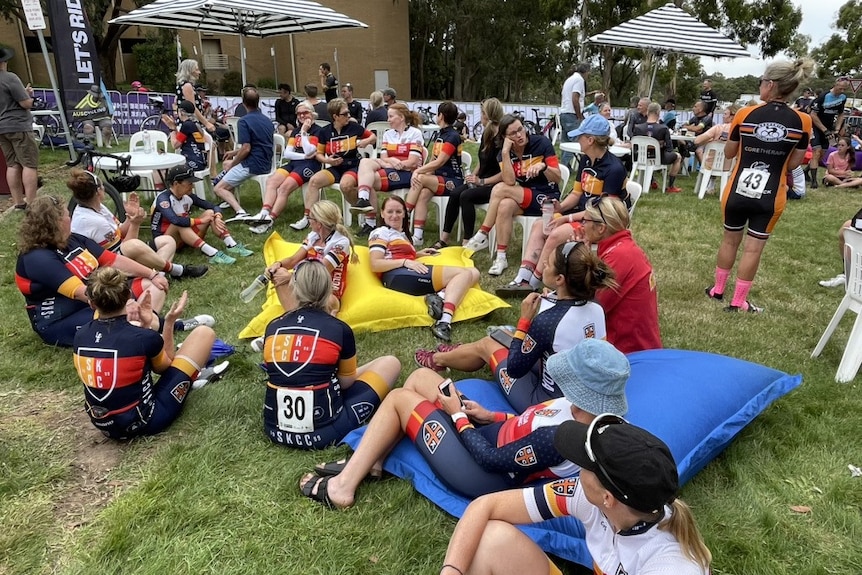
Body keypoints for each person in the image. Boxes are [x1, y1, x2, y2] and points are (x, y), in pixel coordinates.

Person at [298, 338, 630, 504]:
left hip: (485, 475)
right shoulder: (580, 407)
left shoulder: (565, 437)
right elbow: (530, 421)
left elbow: (493, 460)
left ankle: (343, 489)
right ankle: (372, 461)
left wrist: (458, 416)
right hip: (489, 437)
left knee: (400, 399)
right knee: (421, 378)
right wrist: (489, 416)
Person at [438, 416, 712, 575]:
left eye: (585, 464)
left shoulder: (672, 566)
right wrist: (451, 571)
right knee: (490, 538)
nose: (577, 467)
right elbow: (486, 506)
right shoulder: (590, 496)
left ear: (608, 497)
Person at [416, 241, 615, 413]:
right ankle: (455, 353)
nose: (543, 264)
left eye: (548, 264)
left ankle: (437, 359)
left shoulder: (547, 322)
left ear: (560, 280)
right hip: (577, 394)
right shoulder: (595, 307)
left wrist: (525, 319)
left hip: (544, 402)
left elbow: (515, 368)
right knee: (503, 335)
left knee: (489, 343)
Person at [706, 59, 813, 313]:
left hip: (736, 189)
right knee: (754, 247)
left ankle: (718, 289)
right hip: (771, 192)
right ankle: (738, 301)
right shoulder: (803, 121)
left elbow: (730, 153)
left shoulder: (745, 114)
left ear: (771, 84)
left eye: (761, 82)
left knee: (730, 239)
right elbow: (793, 164)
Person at [261, 261, 399, 449]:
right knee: (390, 363)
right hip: (326, 432)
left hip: (273, 429)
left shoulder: (273, 326)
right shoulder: (339, 329)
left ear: (293, 287)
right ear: (328, 290)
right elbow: (346, 383)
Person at [74, 267, 216, 440]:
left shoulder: (80, 335)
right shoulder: (143, 337)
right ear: (128, 296)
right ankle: (194, 376)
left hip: (102, 423)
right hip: (146, 421)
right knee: (204, 334)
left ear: (91, 303)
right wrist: (169, 322)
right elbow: (167, 368)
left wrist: (145, 328)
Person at [15, 196, 170, 347]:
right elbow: (80, 292)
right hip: (62, 320)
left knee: (156, 286)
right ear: (55, 222)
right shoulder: (37, 258)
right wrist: (125, 304)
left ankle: (150, 323)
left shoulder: (73, 240)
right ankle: (156, 326)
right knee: (127, 317)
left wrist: (153, 274)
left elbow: (113, 260)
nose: (70, 219)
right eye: (67, 215)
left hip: (97, 302)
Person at [498, 115, 626, 294]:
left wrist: (567, 218)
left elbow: (604, 211)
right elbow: (576, 193)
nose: (577, 139)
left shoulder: (614, 169)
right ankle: (522, 277)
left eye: (580, 136)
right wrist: (560, 207)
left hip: (600, 224)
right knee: (540, 225)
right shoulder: (586, 160)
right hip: (584, 216)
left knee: (556, 233)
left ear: (590, 140)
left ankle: (533, 282)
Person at [368, 195, 480, 341]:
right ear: (382, 213)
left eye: (398, 212)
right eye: (390, 212)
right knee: (463, 274)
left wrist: (418, 254)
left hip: (406, 272)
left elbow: (398, 254)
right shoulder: (380, 232)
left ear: (404, 213)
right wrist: (405, 262)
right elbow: (375, 264)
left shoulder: (400, 234)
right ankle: (444, 321)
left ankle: (439, 297)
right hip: (396, 276)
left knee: (474, 272)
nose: (394, 216)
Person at [463, 114, 562, 276]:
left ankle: (483, 233)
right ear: (504, 137)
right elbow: (510, 181)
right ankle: (501, 257)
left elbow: (557, 176)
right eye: (513, 133)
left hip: (548, 198)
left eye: (520, 130)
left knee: (500, 188)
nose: (519, 135)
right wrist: (505, 153)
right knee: (504, 205)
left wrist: (543, 167)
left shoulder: (541, 143)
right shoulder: (504, 152)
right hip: (526, 196)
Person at [68, 169, 208, 280]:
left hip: (117, 254)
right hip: (105, 269)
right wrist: (135, 224)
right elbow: (124, 252)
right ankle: (177, 270)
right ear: (98, 191)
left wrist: (130, 218)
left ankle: (159, 275)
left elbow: (119, 233)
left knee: (168, 240)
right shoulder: (91, 221)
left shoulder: (96, 207)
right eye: (103, 186)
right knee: (135, 245)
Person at [291, 98, 376, 231]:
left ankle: (365, 212)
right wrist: (327, 161)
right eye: (345, 114)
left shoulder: (354, 127)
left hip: (353, 165)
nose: (348, 116)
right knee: (314, 181)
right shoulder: (325, 132)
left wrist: (366, 141)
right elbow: (319, 154)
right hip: (334, 166)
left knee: (346, 185)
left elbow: (373, 137)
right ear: (335, 116)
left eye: (348, 113)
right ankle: (308, 218)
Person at [264, 200, 358, 314]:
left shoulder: (341, 243)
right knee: (279, 272)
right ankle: (296, 316)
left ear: (319, 224)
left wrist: (290, 277)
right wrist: (277, 265)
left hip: (328, 292)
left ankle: (300, 315)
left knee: (330, 301)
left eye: (310, 218)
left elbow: (319, 273)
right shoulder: (314, 236)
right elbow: (293, 260)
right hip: (305, 287)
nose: (308, 221)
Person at [247, 101, 323, 234]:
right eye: (298, 113)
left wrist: (304, 132)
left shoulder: (318, 131)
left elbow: (311, 151)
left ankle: (270, 220)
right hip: (296, 162)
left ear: (312, 114)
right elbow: (288, 153)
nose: (301, 116)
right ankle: (264, 213)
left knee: (284, 188)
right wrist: (304, 156)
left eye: (305, 113)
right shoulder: (295, 131)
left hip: (311, 165)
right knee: (271, 181)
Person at [152, 165, 253, 266]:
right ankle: (213, 253)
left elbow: (213, 207)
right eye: (189, 183)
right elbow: (175, 220)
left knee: (210, 212)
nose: (192, 186)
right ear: (176, 183)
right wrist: (201, 221)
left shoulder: (187, 196)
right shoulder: (163, 199)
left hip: (185, 238)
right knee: (179, 223)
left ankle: (231, 245)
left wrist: (217, 216)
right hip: (166, 242)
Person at [438, 98, 505, 248]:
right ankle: (444, 238)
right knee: (455, 193)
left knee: (466, 196)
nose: (480, 116)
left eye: (482, 113)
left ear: (487, 115)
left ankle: (468, 240)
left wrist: (480, 182)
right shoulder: (487, 136)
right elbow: (482, 163)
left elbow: (505, 173)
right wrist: (471, 178)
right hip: (482, 180)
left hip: (496, 184)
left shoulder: (501, 139)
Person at [351, 103, 425, 237]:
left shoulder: (415, 133)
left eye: (391, 116)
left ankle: (370, 222)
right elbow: (384, 157)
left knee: (369, 179)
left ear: (401, 117)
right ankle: (363, 198)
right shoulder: (388, 134)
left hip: (408, 173)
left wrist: (392, 163)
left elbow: (412, 162)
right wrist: (392, 161)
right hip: (391, 169)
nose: (388, 120)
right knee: (365, 162)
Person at [405, 101, 465, 246]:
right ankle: (418, 235)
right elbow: (433, 160)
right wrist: (424, 171)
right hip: (438, 178)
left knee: (419, 178)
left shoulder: (452, 136)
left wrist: (419, 171)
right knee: (424, 192)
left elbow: (440, 162)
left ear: (441, 116)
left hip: (453, 180)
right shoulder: (441, 134)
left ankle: (404, 215)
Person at [213, 87, 275, 217]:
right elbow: (257, 143)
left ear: (243, 103)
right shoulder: (267, 120)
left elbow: (246, 148)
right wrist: (235, 152)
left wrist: (234, 163)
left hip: (252, 164)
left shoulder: (244, 121)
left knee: (218, 188)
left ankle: (240, 211)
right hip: (266, 162)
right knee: (226, 164)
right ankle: (229, 199)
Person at [0, 46, 38, 209]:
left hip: (2, 128)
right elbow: (25, 103)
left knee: (12, 164)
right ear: (3, 62)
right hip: (18, 125)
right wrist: (28, 95)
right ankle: (31, 202)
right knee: (29, 163)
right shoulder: (9, 78)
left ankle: (18, 202)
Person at [807, 76, 850, 189]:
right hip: (816, 126)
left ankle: (806, 171)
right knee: (816, 151)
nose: (841, 91)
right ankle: (814, 181)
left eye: (844, 89)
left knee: (822, 154)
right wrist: (824, 130)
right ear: (835, 85)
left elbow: (841, 114)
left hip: (828, 127)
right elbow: (813, 115)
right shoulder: (823, 97)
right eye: (840, 88)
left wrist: (836, 129)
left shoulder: (843, 98)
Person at [633, 102, 682, 193]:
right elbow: (669, 148)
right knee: (678, 157)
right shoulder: (663, 128)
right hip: (659, 159)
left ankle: (652, 181)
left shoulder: (638, 128)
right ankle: (670, 186)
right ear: (658, 113)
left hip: (641, 158)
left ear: (647, 112)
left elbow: (635, 146)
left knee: (649, 158)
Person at [559, 63, 589, 167]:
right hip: (571, 114)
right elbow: (575, 98)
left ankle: (564, 166)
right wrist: (579, 116)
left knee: (565, 142)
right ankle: (565, 164)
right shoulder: (579, 80)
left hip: (563, 113)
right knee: (576, 141)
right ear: (586, 72)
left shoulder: (569, 79)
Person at [170, 100, 208, 172]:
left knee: (168, 168)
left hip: (193, 162)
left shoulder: (186, 125)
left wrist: (171, 129)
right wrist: (174, 128)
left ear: (181, 112)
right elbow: (180, 138)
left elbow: (175, 145)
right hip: (200, 161)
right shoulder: (194, 123)